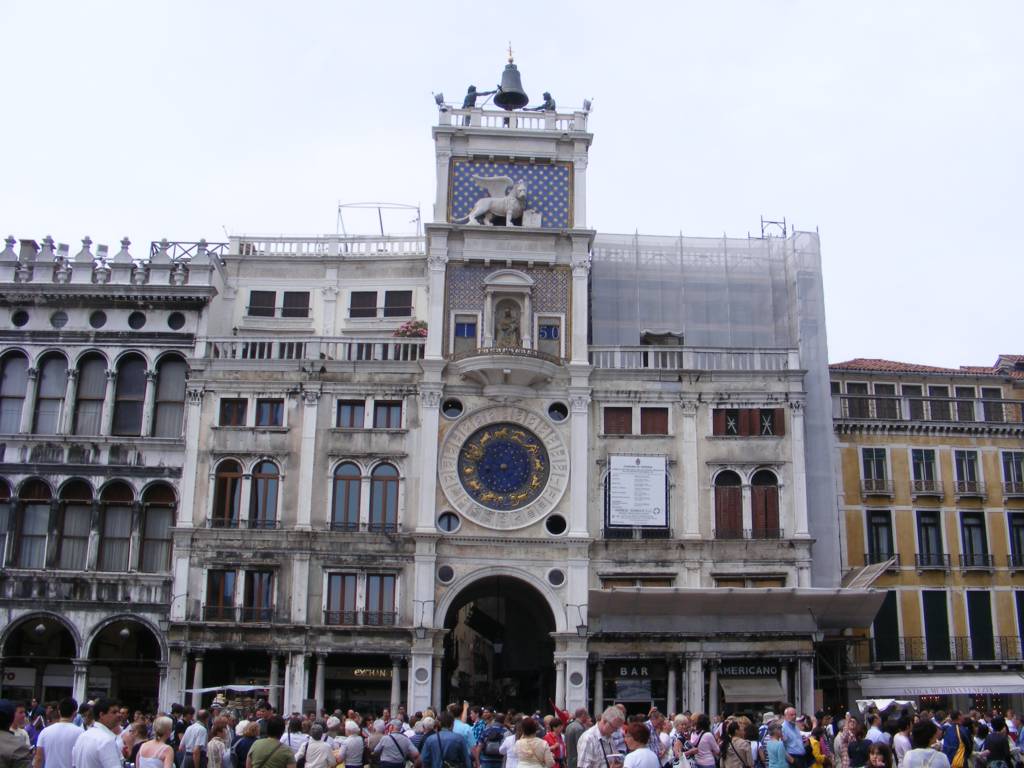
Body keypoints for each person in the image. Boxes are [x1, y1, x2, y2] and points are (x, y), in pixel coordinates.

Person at [72, 698, 123, 768]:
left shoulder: (83, 736)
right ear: (101, 715)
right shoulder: (106, 740)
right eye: (114, 712)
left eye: (119, 712)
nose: (119, 715)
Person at [33, 698, 82, 768]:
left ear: (59, 712)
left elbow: (38, 759)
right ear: (75, 713)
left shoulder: (45, 732)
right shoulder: (81, 733)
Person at [0, 700, 32, 768]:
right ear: (12, 716)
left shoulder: (24, 733)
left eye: (24, 712)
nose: (24, 715)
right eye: (20, 712)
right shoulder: (19, 747)